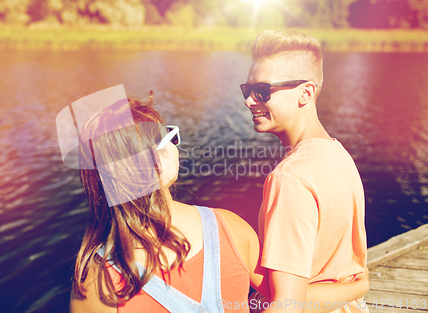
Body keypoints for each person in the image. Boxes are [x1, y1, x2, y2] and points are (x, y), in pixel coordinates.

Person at [69, 95, 368, 313]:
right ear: (160, 158)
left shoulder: (97, 279)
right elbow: (288, 301)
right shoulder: (230, 229)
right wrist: (356, 286)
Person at [242, 30, 369, 313]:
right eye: (246, 90)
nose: (250, 101)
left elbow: (286, 306)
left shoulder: (290, 178)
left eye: (262, 90)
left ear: (306, 93)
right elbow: (357, 275)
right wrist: (359, 287)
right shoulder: (339, 155)